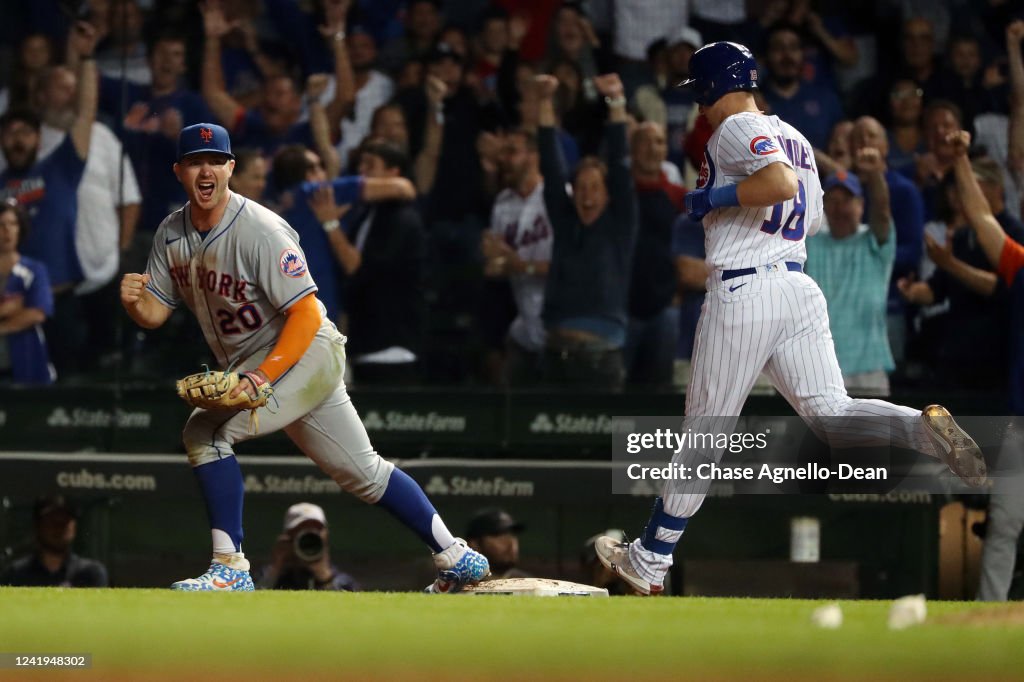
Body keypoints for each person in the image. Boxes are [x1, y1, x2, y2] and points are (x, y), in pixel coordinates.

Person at [594, 41, 988, 596]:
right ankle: (921, 432)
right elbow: (815, 218)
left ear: (711, 85)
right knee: (832, 414)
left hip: (747, 286)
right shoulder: (797, 137)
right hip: (798, 286)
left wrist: (715, 198)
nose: (700, 106)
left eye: (700, 93)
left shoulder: (733, 126)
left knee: (705, 431)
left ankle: (651, 558)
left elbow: (777, 187)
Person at [118, 122, 489, 592]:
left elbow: (308, 312)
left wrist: (262, 378)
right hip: (264, 364)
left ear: (231, 168)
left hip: (303, 351)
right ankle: (456, 555)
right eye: (195, 161)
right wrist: (135, 302)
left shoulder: (260, 228)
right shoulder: (171, 233)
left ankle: (230, 567)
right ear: (179, 171)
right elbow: (155, 312)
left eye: (215, 161)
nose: (206, 170)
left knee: (204, 431)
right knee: (364, 472)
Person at [946, 129, 1024, 602]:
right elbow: (979, 216)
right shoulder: (1021, 264)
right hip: (1020, 423)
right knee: (1005, 524)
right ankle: (991, 616)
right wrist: (959, 161)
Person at [535, 71, 637, 391]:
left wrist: (617, 101)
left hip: (602, 353)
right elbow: (551, 167)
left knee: (604, 442)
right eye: (580, 187)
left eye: (595, 188)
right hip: (555, 350)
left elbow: (620, 164)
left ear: (608, 195)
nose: (587, 195)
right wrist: (543, 101)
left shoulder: (620, 223)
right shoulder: (566, 223)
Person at [806, 150, 895, 396]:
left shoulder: (874, 241)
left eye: (846, 199)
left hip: (869, 370)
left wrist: (876, 175)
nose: (839, 207)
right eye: (832, 200)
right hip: (819, 370)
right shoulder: (811, 243)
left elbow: (883, 212)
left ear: (861, 205)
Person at [481, 129, 551, 384]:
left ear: (533, 157)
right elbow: (495, 267)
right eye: (502, 153)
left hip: (557, 325)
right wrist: (492, 258)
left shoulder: (556, 198)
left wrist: (517, 264)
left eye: (511, 152)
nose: (503, 159)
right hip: (524, 324)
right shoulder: (502, 203)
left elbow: (570, 268)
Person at [0, 200, 55, 384]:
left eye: (12, 224)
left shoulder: (34, 270)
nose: (7, 231)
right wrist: (8, 310)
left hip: (26, 366)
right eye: (1, 224)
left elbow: (37, 313)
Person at [0, 495, 108, 587]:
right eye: (52, 521)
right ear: (38, 526)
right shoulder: (16, 574)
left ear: (74, 527)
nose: (59, 528)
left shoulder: (91, 573)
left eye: (64, 522)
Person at [258, 502, 359, 591]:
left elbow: (350, 606)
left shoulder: (342, 582)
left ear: (325, 536)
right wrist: (275, 568)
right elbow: (252, 598)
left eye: (316, 530)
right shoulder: (272, 575)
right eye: (301, 530)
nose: (309, 538)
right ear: (289, 536)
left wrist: (324, 577)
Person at [465, 508, 531, 580]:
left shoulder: (530, 584)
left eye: (512, 535)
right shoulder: (456, 585)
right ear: (474, 544)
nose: (510, 543)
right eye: (499, 535)